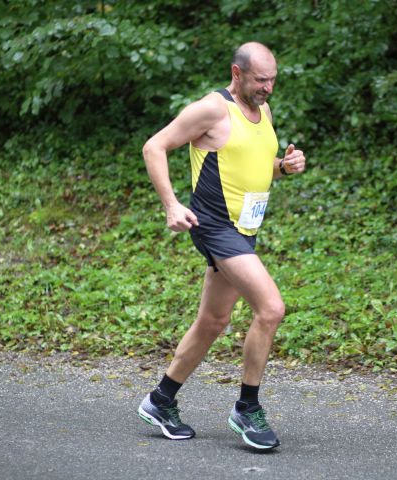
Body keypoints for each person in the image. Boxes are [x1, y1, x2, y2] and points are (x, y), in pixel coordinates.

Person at [137, 41, 306, 450]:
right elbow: (154, 146)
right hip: (214, 227)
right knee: (271, 308)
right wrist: (171, 204)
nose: (268, 87)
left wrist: (283, 167)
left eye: (272, 79)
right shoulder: (212, 108)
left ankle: (161, 400)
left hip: (243, 230)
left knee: (213, 321)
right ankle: (247, 408)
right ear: (237, 73)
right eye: (261, 79)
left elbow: (250, 166)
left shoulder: (262, 109)